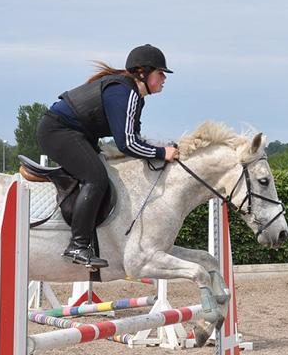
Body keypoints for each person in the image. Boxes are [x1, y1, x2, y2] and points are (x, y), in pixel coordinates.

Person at [37, 44, 180, 268]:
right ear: (143, 72)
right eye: (160, 73)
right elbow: (127, 144)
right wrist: (162, 152)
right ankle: (77, 245)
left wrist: (161, 148)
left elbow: (135, 139)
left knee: (103, 172)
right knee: (96, 178)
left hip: (77, 134)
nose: (164, 78)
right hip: (58, 131)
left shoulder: (133, 96)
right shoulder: (125, 93)